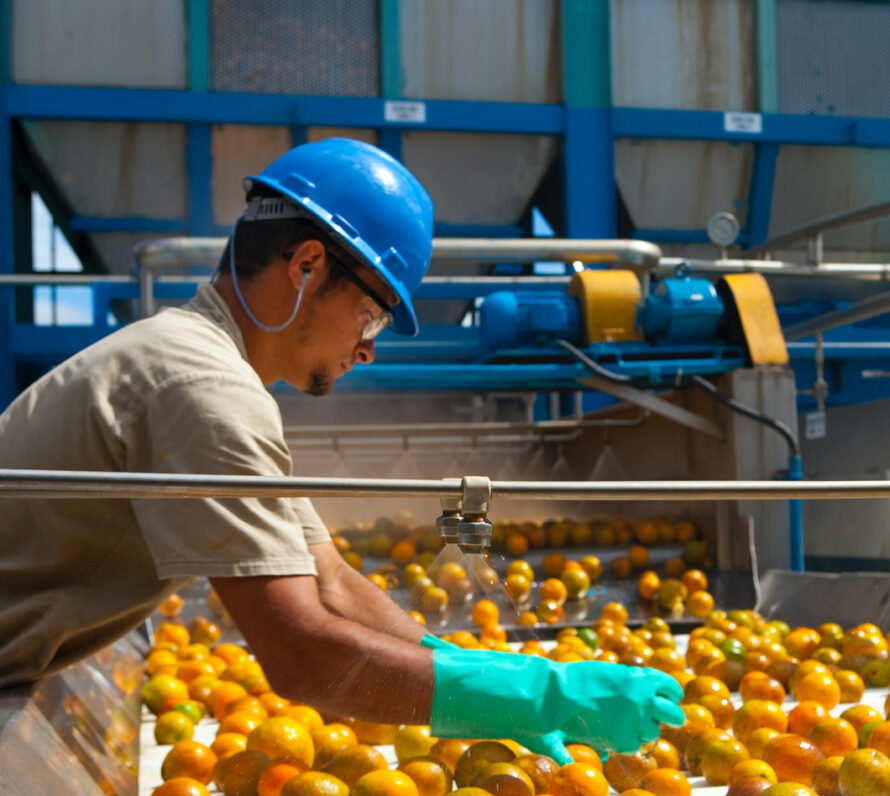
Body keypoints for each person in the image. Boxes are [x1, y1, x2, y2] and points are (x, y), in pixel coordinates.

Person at [0, 138, 683, 761]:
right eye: (374, 312)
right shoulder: (201, 387)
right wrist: (539, 693)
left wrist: (473, 672)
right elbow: (302, 657)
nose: (367, 346)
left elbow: (330, 582)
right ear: (306, 265)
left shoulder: (204, 368)